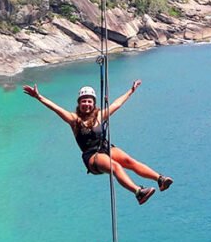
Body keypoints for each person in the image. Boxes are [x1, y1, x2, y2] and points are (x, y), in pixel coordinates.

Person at [22, 80, 172, 205]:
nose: (86, 104)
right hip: (92, 156)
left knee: (129, 161)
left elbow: (117, 104)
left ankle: (160, 179)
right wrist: (39, 97)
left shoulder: (100, 115)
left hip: (105, 147)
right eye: (84, 101)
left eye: (89, 101)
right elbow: (56, 108)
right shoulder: (74, 120)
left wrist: (131, 91)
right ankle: (138, 192)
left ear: (93, 103)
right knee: (115, 166)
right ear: (79, 103)